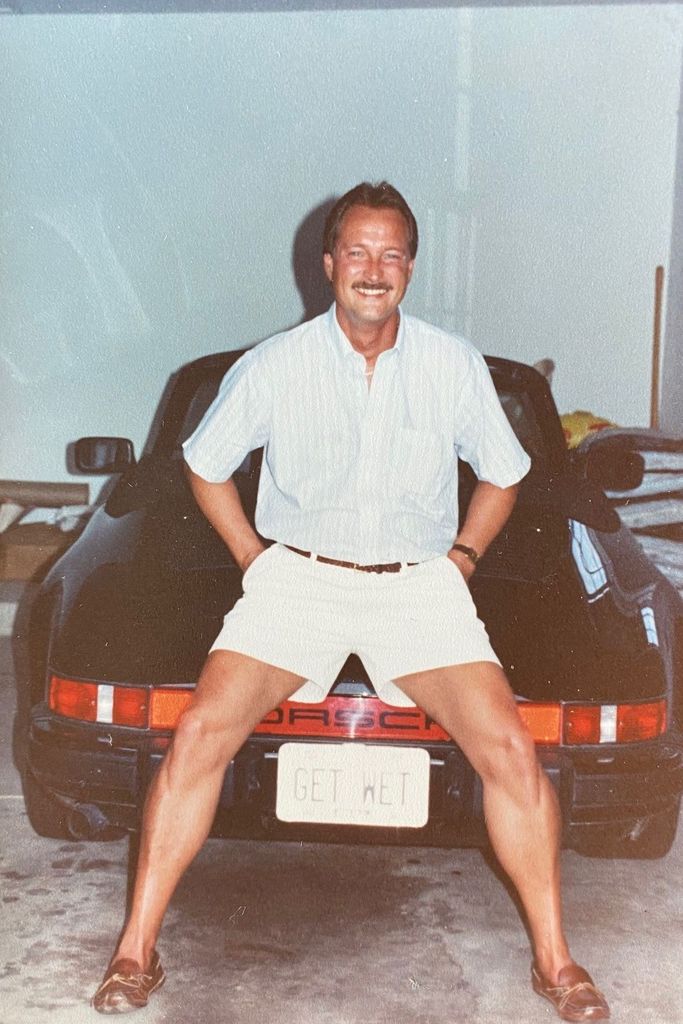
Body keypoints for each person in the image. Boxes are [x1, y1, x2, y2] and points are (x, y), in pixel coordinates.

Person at [92, 181, 609, 1022]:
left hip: (416, 587)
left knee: (511, 752)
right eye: (358, 252)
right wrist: (253, 557)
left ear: (410, 267)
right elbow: (205, 463)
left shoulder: (451, 363)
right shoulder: (276, 364)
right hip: (299, 582)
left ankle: (556, 962)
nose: (374, 269)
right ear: (328, 264)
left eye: (391, 253)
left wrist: (461, 559)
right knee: (199, 734)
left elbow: (505, 473)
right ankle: (133, 952)